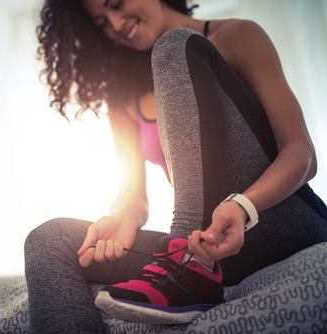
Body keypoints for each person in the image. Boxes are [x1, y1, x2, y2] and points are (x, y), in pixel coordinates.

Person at [25, 0, 327, 332]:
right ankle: (188, 264)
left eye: (116, 3)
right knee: (50, 239)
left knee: (175, 44)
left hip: (280, 223)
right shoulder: (122, 95)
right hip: (210, 248)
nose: (114, 23)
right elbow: (133, 193)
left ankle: (184, 263)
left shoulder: (237, 36)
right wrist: (124, 216)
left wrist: (243, 205)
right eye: (100, 22)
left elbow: (301, 153)